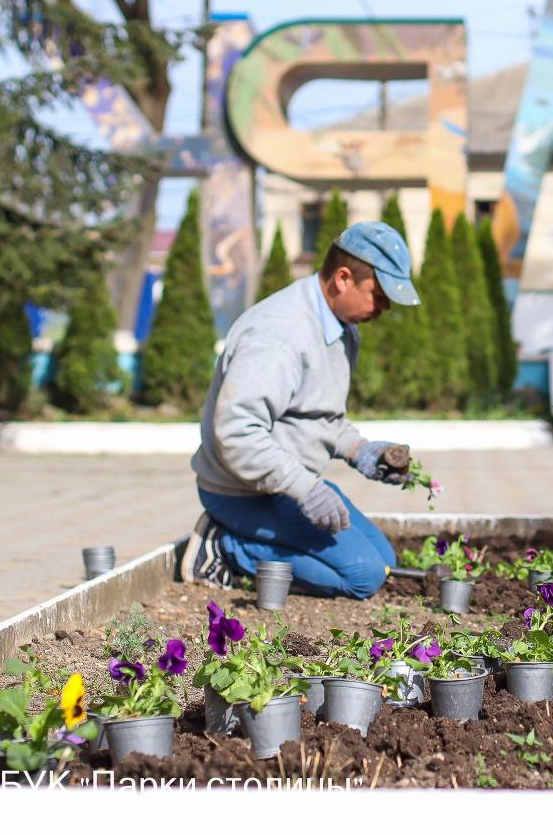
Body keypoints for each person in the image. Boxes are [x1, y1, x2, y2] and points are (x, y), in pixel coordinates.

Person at [178, 221, 418, 599]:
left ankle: (247, 540)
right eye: (380, 294)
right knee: (364, 577)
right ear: (342, 279)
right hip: (243, 493)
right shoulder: (280, 335)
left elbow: (320, 417)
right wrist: (305, 488)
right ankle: (224, 545)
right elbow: (237, 432)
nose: (384, 307)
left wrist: (361, 451)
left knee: (384, 559)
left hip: (288, 485)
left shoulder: (340, 329)